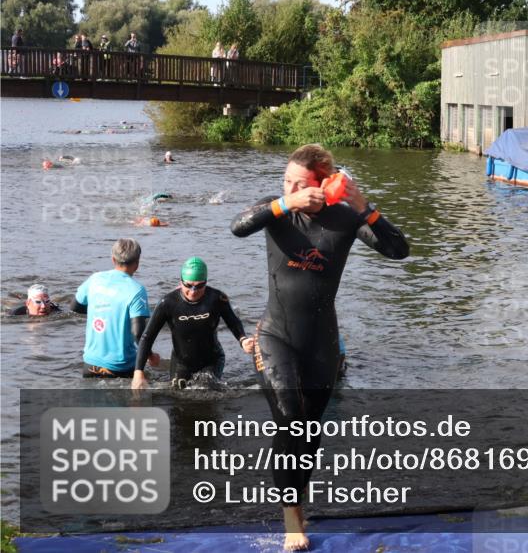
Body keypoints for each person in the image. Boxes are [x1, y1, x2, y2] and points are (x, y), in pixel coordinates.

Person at [230, 143, 409, 551]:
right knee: (291, 417)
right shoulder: (277, 212)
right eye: (285, 181)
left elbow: (399, 250)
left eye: (298, 183)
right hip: (276, 335)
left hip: (322, 343)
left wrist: (366, 207)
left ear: (324, 183)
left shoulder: (344, 219)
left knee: (310, 433)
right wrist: (284, 201)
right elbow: (237, 226)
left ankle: (298, 503)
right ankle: (292, 519)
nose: (290, 188)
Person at [132, 257, 251, 390]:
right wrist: (138, 372)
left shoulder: (217, 298)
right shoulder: (168, 303)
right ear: (181, 281)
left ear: (206, 282)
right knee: (178, 393)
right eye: (188, 285)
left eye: (199, 286)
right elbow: (147, 337)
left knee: (206, 388)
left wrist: (243, 340)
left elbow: (233, 321)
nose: (193, 291)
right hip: (181, 362)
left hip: (211, 360)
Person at [71, 238, 158, 378]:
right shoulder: (137, 290)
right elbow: (137, 332)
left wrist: (102, 310)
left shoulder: (94, 279)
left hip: (90, 364)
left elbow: (75, 307)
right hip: (121, 367)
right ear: (137, 263)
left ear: (113, 259)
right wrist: (150, 355)